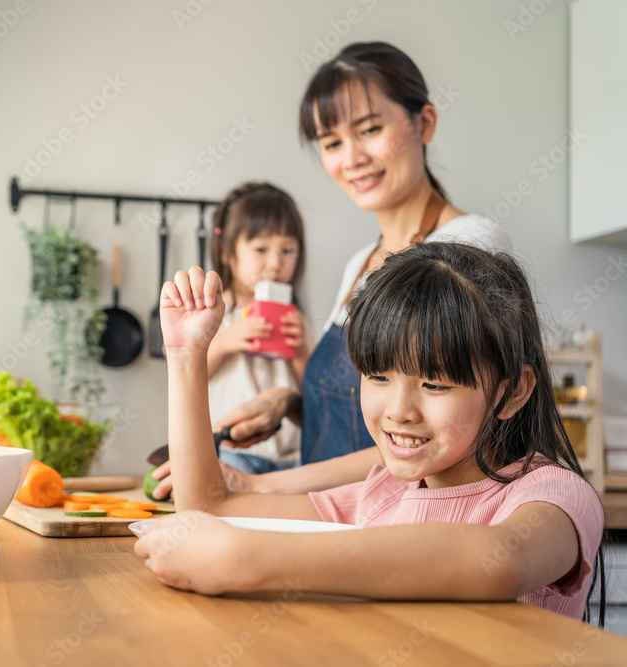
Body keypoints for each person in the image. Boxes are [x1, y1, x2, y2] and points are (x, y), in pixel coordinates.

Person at [135, 243, 605, 622]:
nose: (398, 411)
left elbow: (502, 561)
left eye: (435, 384)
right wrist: (186, 356)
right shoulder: (384, 492)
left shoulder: (555, 493)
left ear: (513, 392)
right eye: (378, 377)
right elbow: (210, 509)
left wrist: (247, 558)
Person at [150, 41, 512, 500]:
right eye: (332, 142)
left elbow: (437, 434)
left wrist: (260, 485)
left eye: (370, 129)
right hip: (334, 514)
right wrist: (289, 404)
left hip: (394, 524)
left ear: (424, 122)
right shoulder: (360, 264)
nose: (352, 158)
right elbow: (364, 414)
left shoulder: (467, 244)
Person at [205, 182, 308, 474]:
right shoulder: (213, 314)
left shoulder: (295, 319)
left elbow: (315, 392)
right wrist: (225, 342)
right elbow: (187, 374)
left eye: (287, 250)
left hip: (292, 457)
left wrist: (299, 350)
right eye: (261, 249)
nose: (275, 263)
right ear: (227, 253)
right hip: (230, 451)